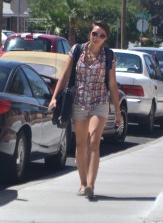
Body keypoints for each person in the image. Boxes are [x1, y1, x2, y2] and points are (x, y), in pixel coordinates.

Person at [48, 20, 123, 200]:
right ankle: (82, 183)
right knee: (81, 144)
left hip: (100, 101)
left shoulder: (109, 56)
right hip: (79, 101)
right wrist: (54, 97)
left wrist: (118, 112)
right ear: (89, 34)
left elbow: (112, 84)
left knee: (94, 141)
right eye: (95, 34)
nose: (97, 38)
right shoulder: (77, 50)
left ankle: (91, 184)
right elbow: (65, 75)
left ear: (106, 39)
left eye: (102, 36)